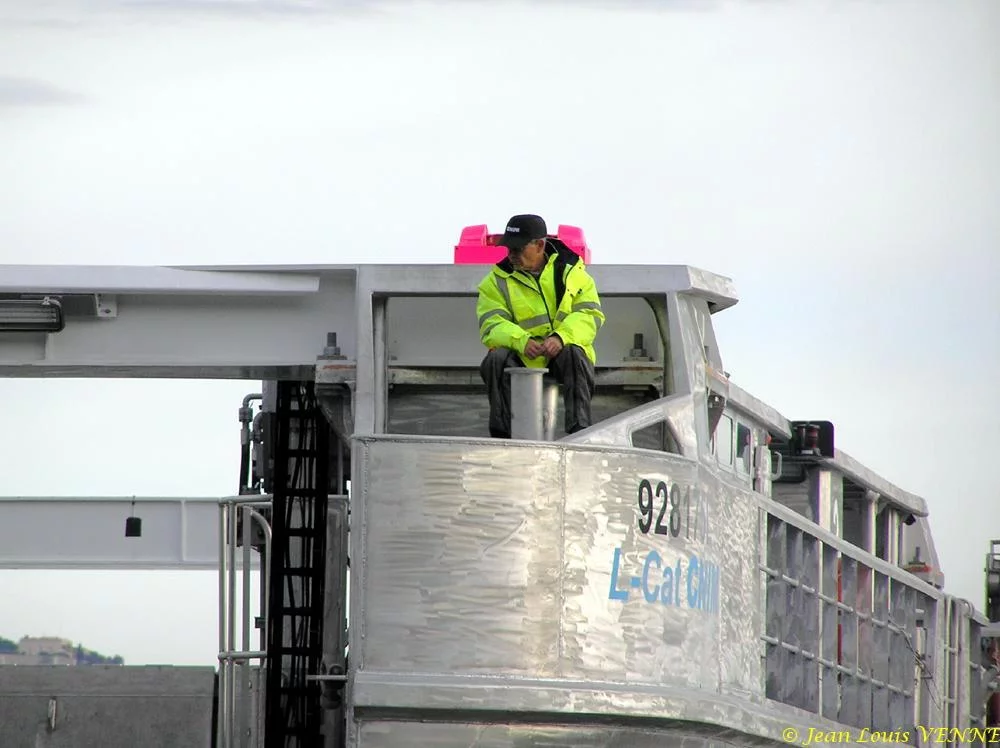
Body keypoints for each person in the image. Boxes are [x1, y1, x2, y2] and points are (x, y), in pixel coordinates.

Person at [476, 214, 605, 438]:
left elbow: (589, 315)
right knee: (495, 359)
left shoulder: (574, 274)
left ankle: (580, 431)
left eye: (518, 248)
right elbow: (491, 324)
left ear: (539, 245)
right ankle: (501, 436)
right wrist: (522, 341)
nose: (511, 254)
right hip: (521, 355)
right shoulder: (495, 281)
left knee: (575, 354)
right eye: (509, 248)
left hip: (562, 354)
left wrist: (560, 338)